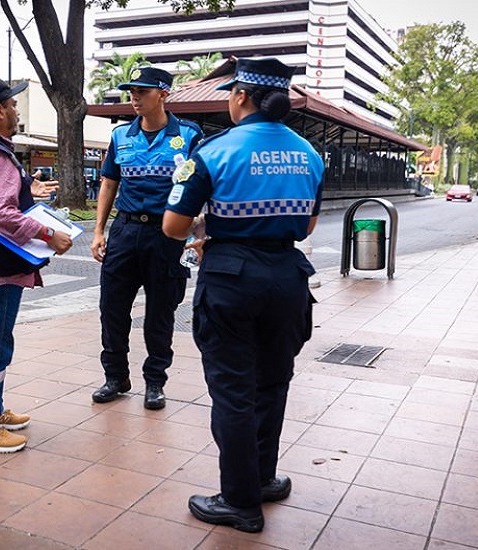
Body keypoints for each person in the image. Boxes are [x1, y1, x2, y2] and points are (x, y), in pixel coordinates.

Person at [162, 57, 325, 532]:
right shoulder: (310, 154)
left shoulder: (212, 152)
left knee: (234, 391)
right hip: (288, 278)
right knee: (272, 384)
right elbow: (308, 223)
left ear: (240, 96)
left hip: (232, 279)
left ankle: (239, 501)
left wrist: (208, 226)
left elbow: (174, 228)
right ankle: (265, 477)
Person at [0, 75, 72, 454]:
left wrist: (27, 189)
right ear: (0, 110)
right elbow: (0, 214)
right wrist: (49, 234)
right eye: (15, 105)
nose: (18, 111)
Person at [90, 67, 204, 410]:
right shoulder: (121, 135)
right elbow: (109, 182)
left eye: (142, 91)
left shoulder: (189, 135)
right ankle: (115, 377)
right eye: (131, 92)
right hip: (125, 231)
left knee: (160, 313)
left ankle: (155, 381)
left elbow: (199, 184)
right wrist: (99, 231)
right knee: (112, 309)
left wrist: (198, 230)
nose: (134, 98)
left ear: (163, 94)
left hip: (167, 234)